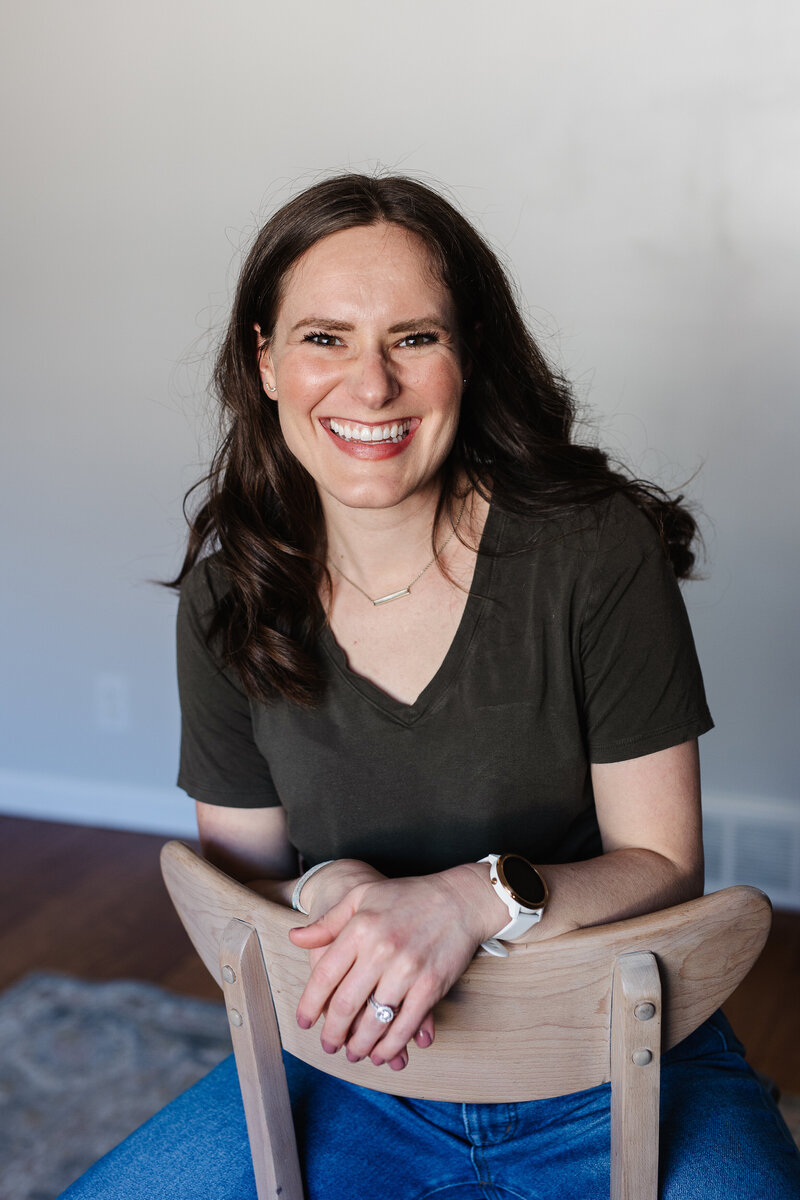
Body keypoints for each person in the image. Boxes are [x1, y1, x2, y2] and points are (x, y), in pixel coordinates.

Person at [60, 174, 800, 1198]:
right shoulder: (230, 597)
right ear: (264, 360)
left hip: (611, 1051)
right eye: (324, 338)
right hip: (352, 1066)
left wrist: (470, 899)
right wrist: (333, 888)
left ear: (469, 357)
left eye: (413, 338)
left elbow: (661, 865)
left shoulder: (589, 550)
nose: (369, 388)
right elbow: (241, 896)